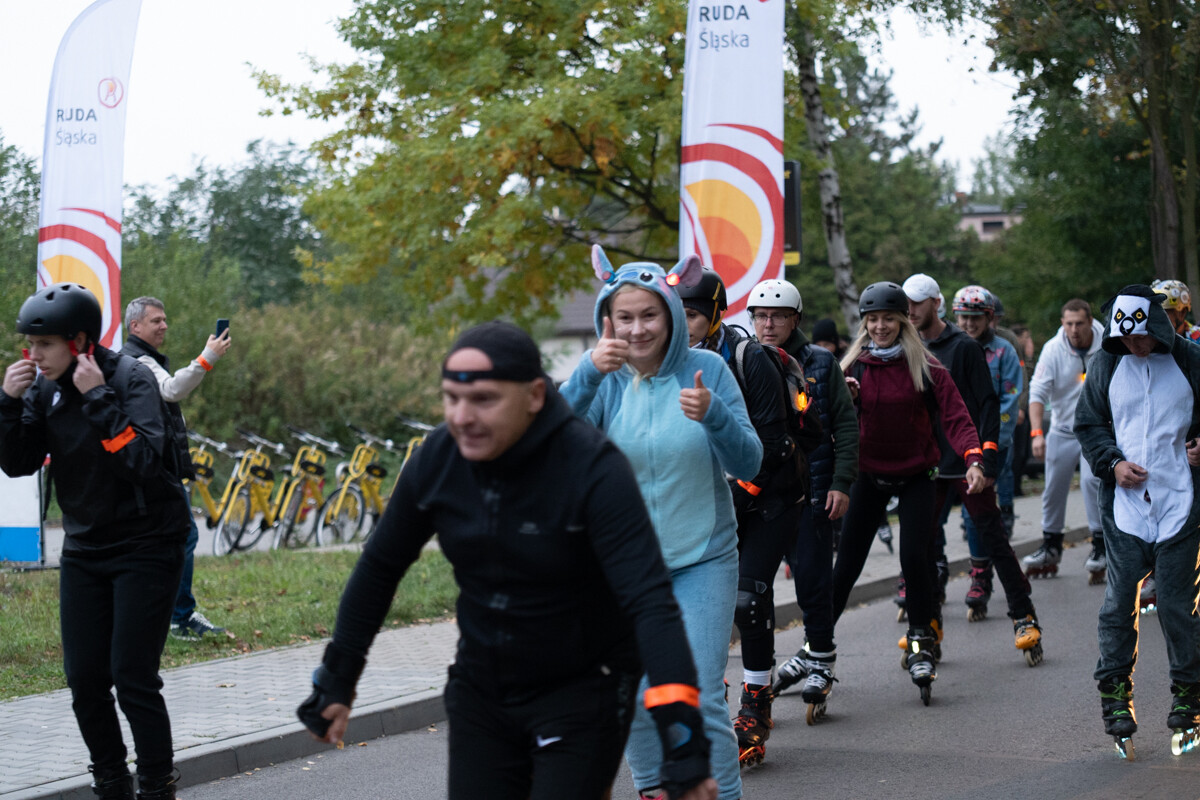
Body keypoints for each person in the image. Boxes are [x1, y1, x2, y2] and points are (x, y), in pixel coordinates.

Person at [298, 321, 717, 800]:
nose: (462, 417)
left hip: (583, 691)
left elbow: (650, 603)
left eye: (484, 400)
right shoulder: (438, 459)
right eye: (451, 399)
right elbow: (379, 567)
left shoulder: (591, 467)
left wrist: (682, 740)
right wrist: (337, 678)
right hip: (483, 691)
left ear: (535, 396)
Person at [562, 246, 761, 800]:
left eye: (649, 314)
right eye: (624, 317)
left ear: (672, 314)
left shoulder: (710, 370)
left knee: (694, 693)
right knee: (636, 691)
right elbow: (547, 442)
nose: (637, 328)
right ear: (608, 321)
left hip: (702, 559)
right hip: (623, 568)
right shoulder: (603, 378)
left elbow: (750, 462)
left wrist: (714, 415)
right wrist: (583, 376)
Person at [0, 283, 189, 800]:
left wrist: (97, 398)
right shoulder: (43, 387)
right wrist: (8, 403)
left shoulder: (130, 379)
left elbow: (145, 464)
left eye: (44, 345)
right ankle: (110, 782)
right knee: (84, 679)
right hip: (86, 547)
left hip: (148, 542)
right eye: (29, 346)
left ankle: (156, 785)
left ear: (79, 342)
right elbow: (17, 463)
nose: (33, 356)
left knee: (132, 676)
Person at [677, 269, 810, 760]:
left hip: (771, 496)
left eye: (692, 315)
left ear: (714, 314)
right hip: (709, 500)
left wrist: (739, 491)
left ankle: (756, 702)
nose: (683, 324)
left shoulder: (746, 357)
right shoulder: (669, 361)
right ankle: (709, 695)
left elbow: (774, 446)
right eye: (679, 314)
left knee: (749, 598)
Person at [831, 282, 983, 705]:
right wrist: (845, 401)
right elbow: (827, 421)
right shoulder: (851, 369)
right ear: (865, 323)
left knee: (914, 558)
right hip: (868, 475)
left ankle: (921, 640)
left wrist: (973, 459)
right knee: (846, 566)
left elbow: (957, 417)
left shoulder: (927, 366)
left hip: (918, 474)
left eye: (888, 319)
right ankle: (817, 644)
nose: (880, 327)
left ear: (902, 322)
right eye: (873, 320)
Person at [1075, 285, 1200, 758]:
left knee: (1175, 605)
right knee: (1117, 604)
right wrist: (1112, 464)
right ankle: (1114, 694)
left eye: (1142, 338)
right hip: (1125, 508)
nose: (1135, 346)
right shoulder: (1107, 363)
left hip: (1180, 505)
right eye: (1126, 340)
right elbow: (1087, 423)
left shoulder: (1190, 360)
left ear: (1160, 328)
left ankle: (1188, 692)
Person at [903, 275, 1043, 665]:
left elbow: (987, 404)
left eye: (917, 303)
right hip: (927, 465)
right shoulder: (906, 347)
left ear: (936, 303)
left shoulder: (963, 347)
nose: (910, 310)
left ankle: (1024, 617)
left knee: (993, 539)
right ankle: (927, 624)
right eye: (906, 304)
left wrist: (986, 458)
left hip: (968, 461)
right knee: (922, 546)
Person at [742, 279, 859, 722]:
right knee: (756, 589)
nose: (767, 324)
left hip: (812, 491)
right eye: (760, 316)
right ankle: (760, 672)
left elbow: (845, 428)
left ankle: (822, 662)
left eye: (777, 316)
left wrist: (842, 483)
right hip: (763, 497)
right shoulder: (744, 360)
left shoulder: (822, 363)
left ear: (795, 319)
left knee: (813, 582)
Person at [122, 297, 232, 640]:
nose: (164, 326)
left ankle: (169, 614)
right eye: (156, 320)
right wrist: (207, 357)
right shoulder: (138, 360)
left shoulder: (143, 358)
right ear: (135, 326)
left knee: (169, 539)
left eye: (165, 319)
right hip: (156, 469)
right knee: (183, 535)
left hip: (157, 466)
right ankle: (177, 617)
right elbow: (171, 390)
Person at [1024, 299, 1106, 581]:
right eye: (1068, 324)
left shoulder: (1107, 343)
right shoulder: (1052, 349)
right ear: (1062, 323)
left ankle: (1100, 544)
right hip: (1062, 428)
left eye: (1079, 324)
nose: (1073, 329)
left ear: (1090, 322)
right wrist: (1037, 433)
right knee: (1053, 485)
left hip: (1097, 429)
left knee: (1090, 482)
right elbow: (1037, 393)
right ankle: (1051, 544)